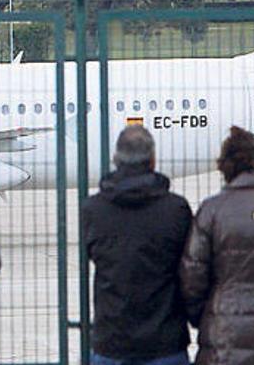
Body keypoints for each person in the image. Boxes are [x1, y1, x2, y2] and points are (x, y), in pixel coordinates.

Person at [82, 126, 192, 365]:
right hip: (165, 342)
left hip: (111, 341)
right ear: (153, 159)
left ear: (115, 159)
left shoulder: (93, 210)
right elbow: (191, 270)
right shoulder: (176, 209)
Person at [181, 126, 254, 364]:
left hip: (225, 335)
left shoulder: (213, 210)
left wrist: (206, 316)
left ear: (225, 166)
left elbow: (193, 277)